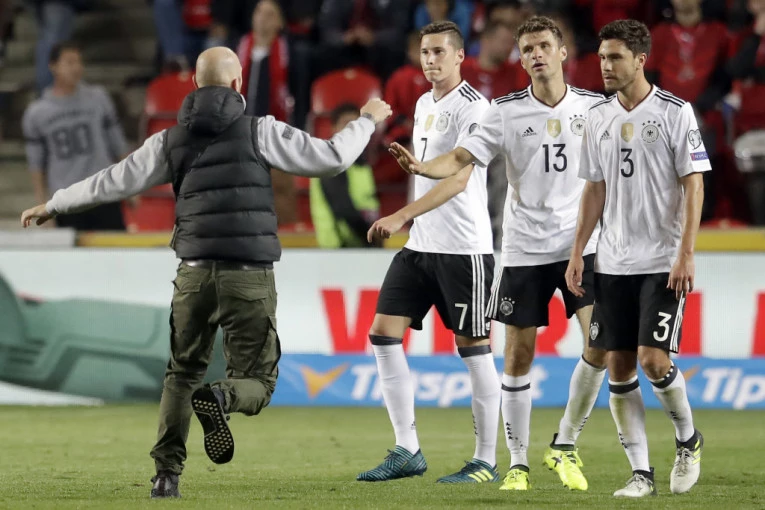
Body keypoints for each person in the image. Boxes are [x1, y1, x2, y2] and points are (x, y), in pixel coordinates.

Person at [21, 46, 392, 499]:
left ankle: (165, 476)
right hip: (248, 274)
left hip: (193, 273)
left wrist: (54, 203)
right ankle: (222, 397)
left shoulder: (168, 140)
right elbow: (331, 158)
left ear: (195, 84)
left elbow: (113, 180)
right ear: (238, 84)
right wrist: (366, 120)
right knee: (259, 381)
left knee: (181, 374)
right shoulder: (261, 130)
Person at [387, 15, 610, 492]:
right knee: (517, 356)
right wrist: (423, 167)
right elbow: (461, 158)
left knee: (601, 344)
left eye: (544, 45)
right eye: (527, 49)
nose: (536, 54)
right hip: (524, 248)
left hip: (580, 246)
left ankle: (565, 442)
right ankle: (518, 463)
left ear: (562, 51)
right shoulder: (504, 111)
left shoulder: (594, 108)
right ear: (520, 58)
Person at [564, 19, 708, 497]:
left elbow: (693, 184)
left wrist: (686, 253)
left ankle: (688, 440)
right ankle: (641, 474)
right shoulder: (597, 116)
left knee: (653, 360)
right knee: (618, 366)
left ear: (641, 60)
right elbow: (594, 187)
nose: (606, 66)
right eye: (602, 57)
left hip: (662, 261)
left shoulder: (674, 112)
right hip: (612, 262)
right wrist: (578, 250)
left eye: (616, 57)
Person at [357, 21, 500, 484]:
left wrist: (402, 214)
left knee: (473, 349)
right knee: (382, 334)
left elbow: (458, 177)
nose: (431, 60)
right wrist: (416, 187)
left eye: (439, 51)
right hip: (421, 246)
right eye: (425, 52)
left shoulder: (477, 108)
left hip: (463, 250)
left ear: (460, 56)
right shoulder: (423, 103)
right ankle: (408, 449)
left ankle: (485, 460)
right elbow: (425, 170)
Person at [22, 41, 131, 231]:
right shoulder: (37, 113)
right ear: (53, 66)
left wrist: (130, 184)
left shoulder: (98, 98)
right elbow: (36, 164)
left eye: (79, 62)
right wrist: (42, 203)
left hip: (103, 191)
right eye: (69, 62)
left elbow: (117, 142)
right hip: (67, 198)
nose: (76, 68)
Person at [310, 103, 381, 248]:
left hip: (359, 245)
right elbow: (343, 209)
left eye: (356, 124)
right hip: (341, 247)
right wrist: (371, 239)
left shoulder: (361, 164)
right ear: (334, 128)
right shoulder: (330, 162)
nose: (352, 130)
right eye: (346, 124)